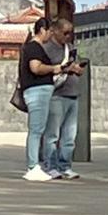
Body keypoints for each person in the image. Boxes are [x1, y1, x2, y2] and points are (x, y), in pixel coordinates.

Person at [18, 15, 62, 181]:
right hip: (37, 91)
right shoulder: (34, 48)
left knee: (39, 129)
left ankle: (36, 164)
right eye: (50, 31)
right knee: (36, 130)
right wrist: (53, 68)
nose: (51, 35)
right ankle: (32, 165)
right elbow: (35, 68)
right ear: (42, 30)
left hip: (39, 91)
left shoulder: (33, 47)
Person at [43, 17, 83, 181]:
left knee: (69, 135)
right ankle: (50, 165)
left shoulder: (70, 48)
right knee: (52, 134)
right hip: (57, 94)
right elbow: (44, 70)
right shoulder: (46, 49)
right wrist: (66, 68)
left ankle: (65, 165)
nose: (68, 36)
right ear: (55, 31)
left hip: (73, 92)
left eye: (70, 33)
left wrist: (77, 69)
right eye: (65, 32)